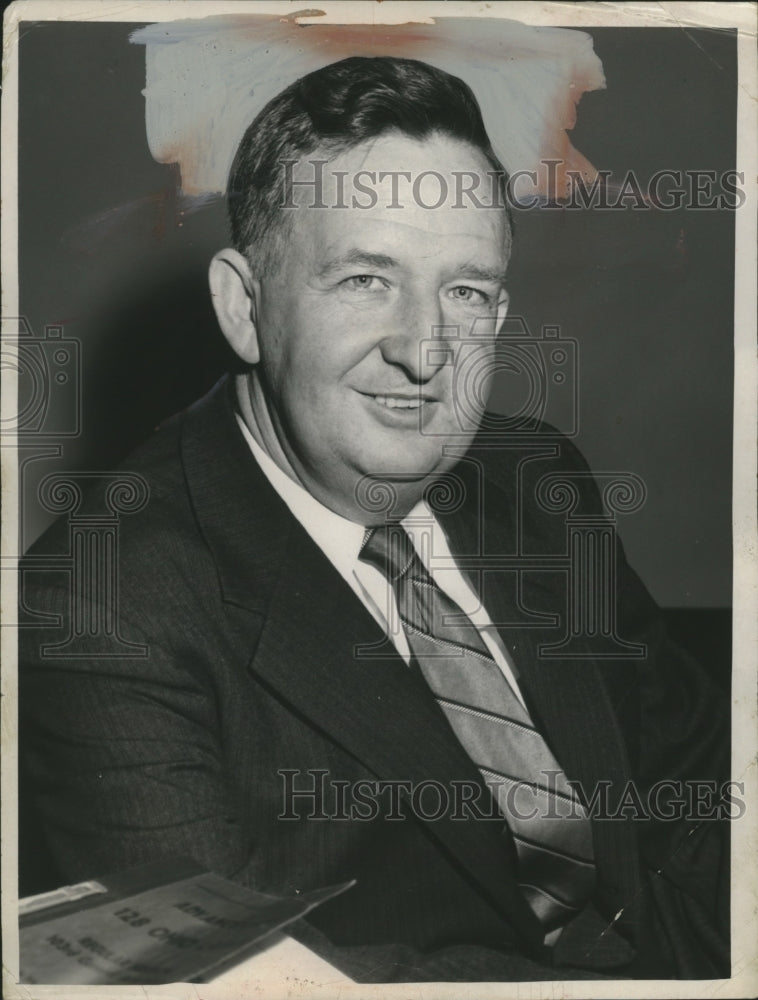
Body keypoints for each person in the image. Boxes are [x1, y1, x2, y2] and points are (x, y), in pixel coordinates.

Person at [19, 56, 730, 982]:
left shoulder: (537, 479)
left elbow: (701, 793)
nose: (424, 350)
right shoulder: (101, 598)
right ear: (245, 306)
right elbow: (248, 984)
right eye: (365, 279)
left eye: (465, 291)